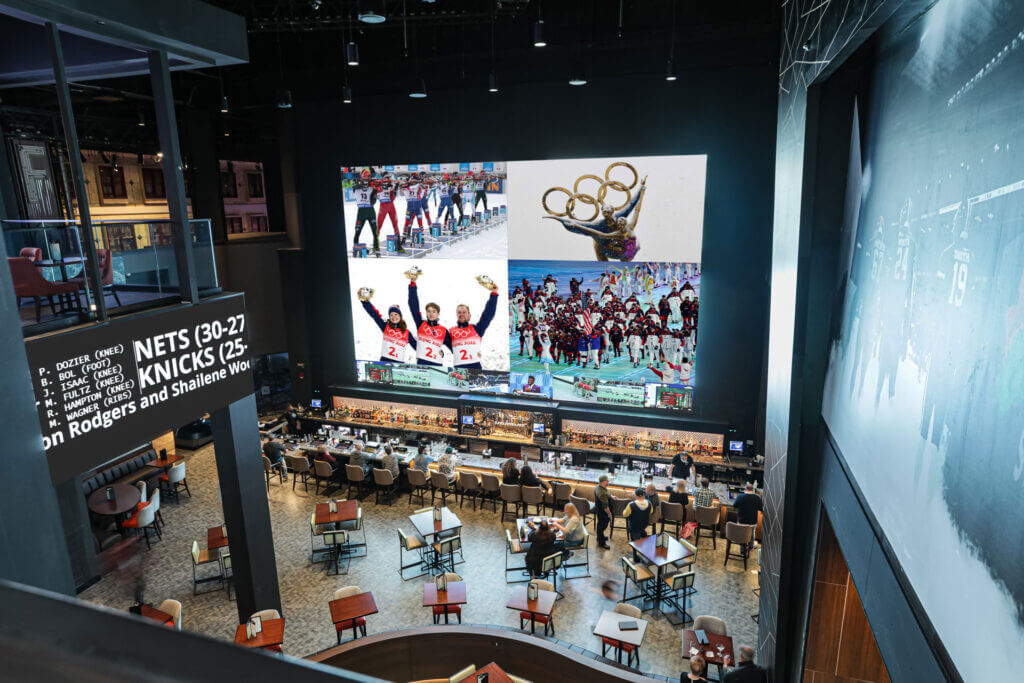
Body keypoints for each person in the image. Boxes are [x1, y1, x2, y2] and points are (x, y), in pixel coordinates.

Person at [448, 277, 499, 370]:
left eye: (464, 312)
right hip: (458, 369)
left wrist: (494, 294)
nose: (461, 314)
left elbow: (488, 314)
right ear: (456, 315)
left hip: (475, 368)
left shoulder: (477, 329)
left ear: (469, 316)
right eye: (459, 312)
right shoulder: (451, 331)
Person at [357, 290, 417, 363]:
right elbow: (375, 314)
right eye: (391, 315)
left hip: (398, 363)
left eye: (396, 314)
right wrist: (365, 302)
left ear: (400, 316)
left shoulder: (407, 332)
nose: (393, 317)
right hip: (385, 362)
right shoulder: (386, 326)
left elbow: (417, 347)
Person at [407, 272, 451, 366]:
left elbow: (455, 348)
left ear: (438, 314)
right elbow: (413, 304)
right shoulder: (420, 323)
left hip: (437, 365)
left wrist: (474, 354)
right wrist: (412, 285)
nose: (431, 314)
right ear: (426, 313)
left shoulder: (443, 330)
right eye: (429, 311)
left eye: (434, 311)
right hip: (422, 364)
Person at [594, 475, 611, 549]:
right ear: (603, 482)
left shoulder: (598, 487)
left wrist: (611, 496)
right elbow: (605, 506)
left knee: (600, 525)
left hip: (598, 509)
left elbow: (606, 494)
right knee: (602, 526)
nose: (608, 481)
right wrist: (609, 513)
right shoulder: (602, 493)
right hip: (602, 512)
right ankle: (602, 543)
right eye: (607, 480)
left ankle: (599, 537)